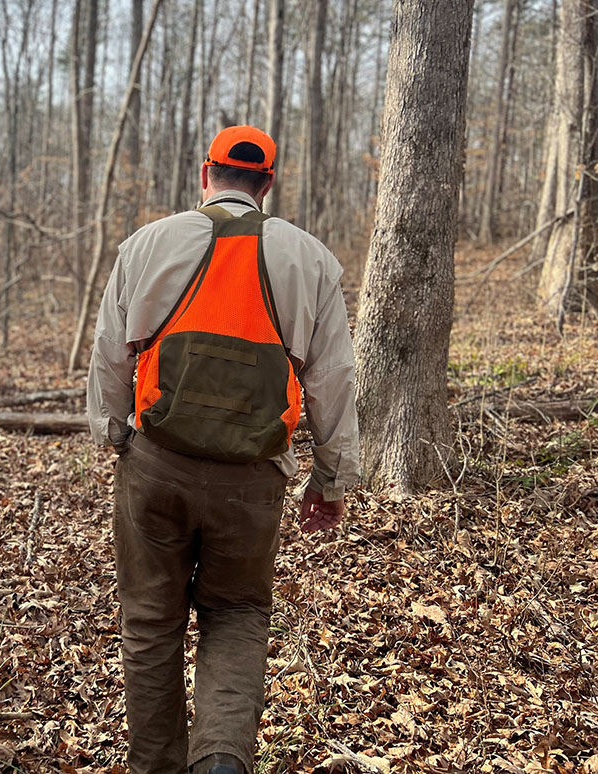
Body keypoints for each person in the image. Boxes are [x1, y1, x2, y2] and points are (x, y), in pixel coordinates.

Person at [86, 125, 359, 774]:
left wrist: (114, 433)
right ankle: (220, 762)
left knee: (150, 622)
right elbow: (333, 380)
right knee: (237, 615)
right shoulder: (311, 259)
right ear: (268, 184)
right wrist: (330, 479)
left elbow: (110, 356)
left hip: (157, 463)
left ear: (205, 175)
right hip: (253, 478)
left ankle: (156, 766)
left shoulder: (148, 244)